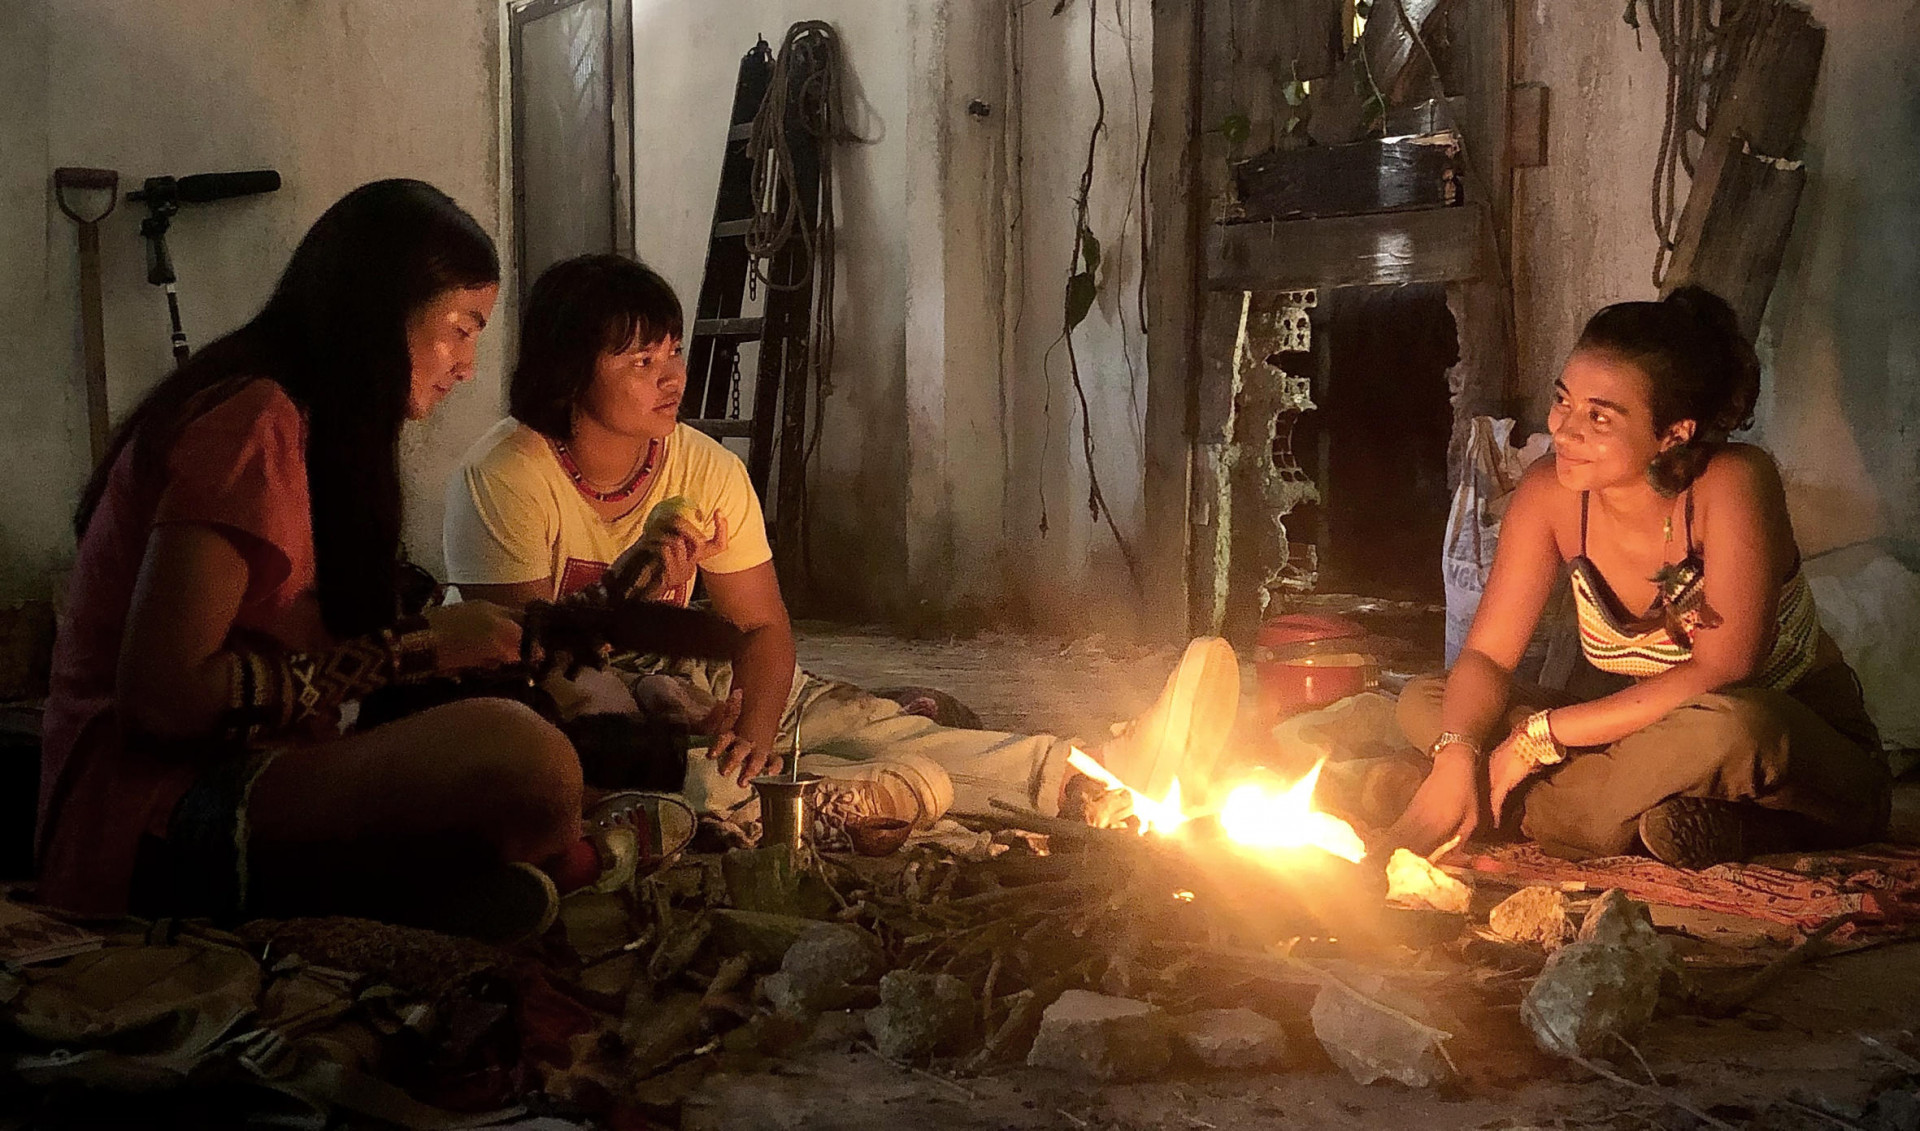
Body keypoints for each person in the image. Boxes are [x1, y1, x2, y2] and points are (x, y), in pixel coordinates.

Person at [444, 253, 1238, 835]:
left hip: (679, 675)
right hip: (568, 691)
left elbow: (762, 627)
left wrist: (752, 725)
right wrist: (634, 618)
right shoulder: (511, 473)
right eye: (640, 359)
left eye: (674, 351)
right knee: (643, 756)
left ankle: (1086, 770)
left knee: (835, 719)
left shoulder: (704, 468)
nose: (672, 376)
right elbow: (523, 659)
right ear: (570, 372)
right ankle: (791, 796)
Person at [40, 180, 618, 943]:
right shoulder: (252, 419)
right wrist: (417, 649)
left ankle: (449, 893)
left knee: (545, 736)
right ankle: (454, 891)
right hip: (151, 819)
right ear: (381, 312)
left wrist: (447, 656)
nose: (468, 366)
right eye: (459, 328)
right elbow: (162, 698)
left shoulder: (328, 433)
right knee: (529, 762)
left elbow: (329, 654)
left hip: (259, 776)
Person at [1390, 286, 1891, 869]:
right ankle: (1648, 819)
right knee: (1425, 701)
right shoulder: (1550, 494)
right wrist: (1456, 753)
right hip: (1640, 743)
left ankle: (1547, 814)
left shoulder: (1733, 482)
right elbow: (1488, 658)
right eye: (1564, 401)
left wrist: (1537, 739)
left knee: (1739, 726)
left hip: (1789, 743)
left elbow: (1724, 670)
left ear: (1673, 432)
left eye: (1599, 416)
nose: (1565, 431)